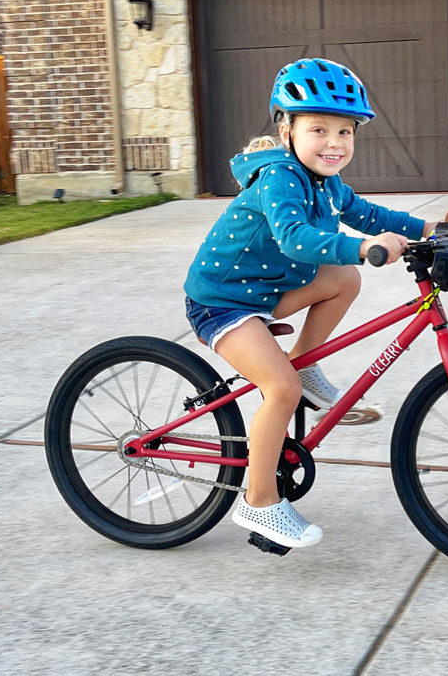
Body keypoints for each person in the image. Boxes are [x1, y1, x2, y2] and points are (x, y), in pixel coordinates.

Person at [184, 58, 435, 550]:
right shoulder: (280, 177)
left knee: (342, 279)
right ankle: (257, 503)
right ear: (287, 130)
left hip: (266, 291)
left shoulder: (325, 182)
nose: (335, 142)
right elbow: (296, 240)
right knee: (279, 389)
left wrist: (428, 228)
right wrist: (363, 248)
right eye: (319, 128)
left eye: (346, 131)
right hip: (224, 302)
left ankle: (304, 362)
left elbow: (368, 212)